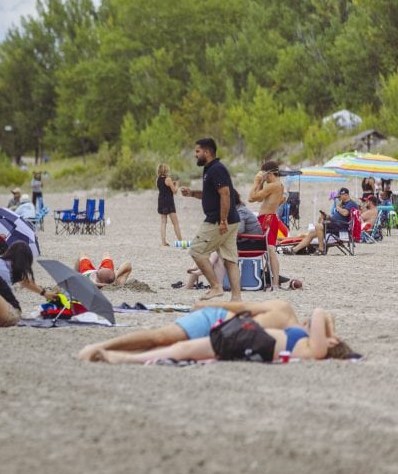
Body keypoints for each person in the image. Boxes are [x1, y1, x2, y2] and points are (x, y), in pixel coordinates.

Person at [92, 308, 356, 364]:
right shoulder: (303, 338)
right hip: (243, 335)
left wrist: (329, 336)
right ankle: (117, 355)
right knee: (182, 349)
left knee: (182, 348)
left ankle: (115, 355)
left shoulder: (314, 349)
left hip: (244, 336)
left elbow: (322, 313)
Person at [78, 299, 309, 361]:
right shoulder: (283, 311)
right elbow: (244, 306)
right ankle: (100, 346)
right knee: (161, 337)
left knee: (165, 347)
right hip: (215, 319)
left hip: (222, 337)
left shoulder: (290, 343)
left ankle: (109, 355)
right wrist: (208, 305)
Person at [179, 137, 241, 301]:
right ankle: (236, 299)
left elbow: (225, 194)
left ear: (207, 152)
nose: (195, 155)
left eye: (197, 151)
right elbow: (210, 195)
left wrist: (222, 221)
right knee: (230, 259)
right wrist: (192, 193)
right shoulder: (210, 169)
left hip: (218, 220)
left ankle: (215, 286)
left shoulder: (216, 169)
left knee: (197, 250)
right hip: (232, 220)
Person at [285, 187, 359, 255]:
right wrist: (327, 216)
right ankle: (294, 250)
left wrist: (337, 207)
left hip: (341, 228)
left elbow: (345, 213)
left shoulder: (351, 203)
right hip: (335, 225)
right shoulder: (343, 204)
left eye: (340, 196)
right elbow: (338, 216)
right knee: (311, 233)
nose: (339, 198)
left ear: (345, 195)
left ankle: (321, 249)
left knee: (319, 226)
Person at [249, 160, 286, 289]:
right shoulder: (278, 185)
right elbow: (259, 198)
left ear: (268, 174)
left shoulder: (273, 186)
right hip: (269, 218)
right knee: (268, 250)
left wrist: (256, 181)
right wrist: (261, 183)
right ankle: (272, 280)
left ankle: (275, 282)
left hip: (267, 219)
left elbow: (251, 198)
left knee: (270, 250)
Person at [156, 163, 182, 246]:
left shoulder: (157, 179)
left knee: (163, 222)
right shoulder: (168, 179)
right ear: (166, 170)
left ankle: (163, 242)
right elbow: (174, 191)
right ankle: (180, 242)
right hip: (169, 202)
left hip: (161, 201)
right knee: (175, 223)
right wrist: (177, 185)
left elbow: (163, 187)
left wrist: (171, 183)